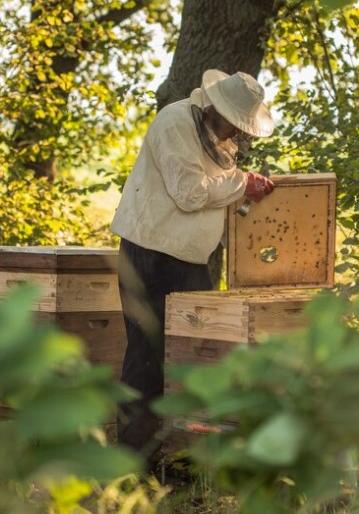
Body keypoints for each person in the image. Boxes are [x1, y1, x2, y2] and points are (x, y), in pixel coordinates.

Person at [110, 69, 276, 464]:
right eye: (233, 124)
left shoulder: (221, 141)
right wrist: (243, 183)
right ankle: (131, 461)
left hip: (191, 260)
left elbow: (217, 199)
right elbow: (189, 193)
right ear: (215, 108)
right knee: (147, 357)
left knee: (193, 356)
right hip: (150, 254)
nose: (236, 134)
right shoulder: (174, 122)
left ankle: (177, 454)